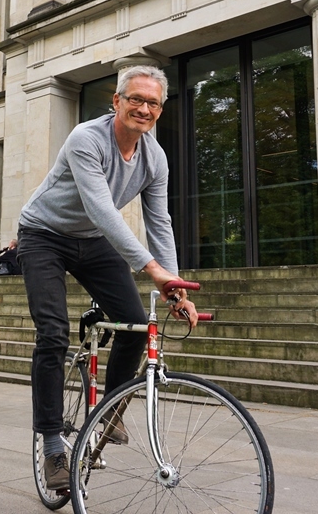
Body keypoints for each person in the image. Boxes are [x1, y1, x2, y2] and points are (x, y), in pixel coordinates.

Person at [16, 64, 198, 491]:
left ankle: (110, 412)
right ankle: (53, 444)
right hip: (44, 235)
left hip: (93, 241)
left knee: (135, 326)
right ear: (116, 101)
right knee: (53, 333)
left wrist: (172, 285)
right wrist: (150, 269)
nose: (143, 108)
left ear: (160, 109)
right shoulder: (86, 139)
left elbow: (160, 222)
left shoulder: (155, 158)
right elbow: (101, 209)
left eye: (152, 102)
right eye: (134, 98)